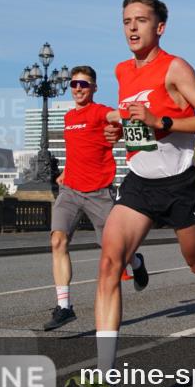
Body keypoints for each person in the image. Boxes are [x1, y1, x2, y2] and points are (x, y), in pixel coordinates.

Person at [64, 0, 195, 387]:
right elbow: (135, 127)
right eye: (126, 21)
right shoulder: (123, 71)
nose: (132, 28)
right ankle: (104, 377)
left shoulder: (175, 68)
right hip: (139, 182)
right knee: (109, 262)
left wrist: (161, 119)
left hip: (179, 184)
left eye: (140, 20)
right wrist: (119, 132)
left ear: (159, 27)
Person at [44, 66, 149, 331]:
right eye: (74, 84)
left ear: (94, 88)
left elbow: (121, 117)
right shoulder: (68, 118)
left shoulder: (101, 112)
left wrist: (138, 113)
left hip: (99, 193)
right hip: (70, 190)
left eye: (84, 84)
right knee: (58, 240)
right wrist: (66, 172)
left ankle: (136, 262)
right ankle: (65, 307)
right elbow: (78, 149)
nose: (78, 88)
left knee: (115, 250)